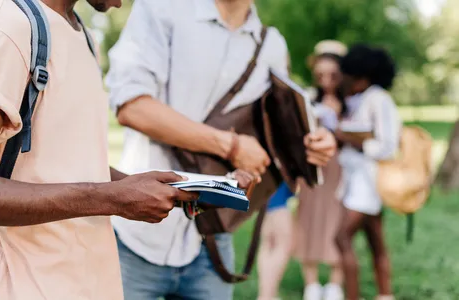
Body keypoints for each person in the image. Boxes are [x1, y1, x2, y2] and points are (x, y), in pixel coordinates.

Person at [0, 0, 203, 298]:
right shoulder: (4, 24)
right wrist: (111, 199)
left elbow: (71, 162)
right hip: (30, 287)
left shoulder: (81, 35)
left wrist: (164, 188)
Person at [105, 0, 337, 299]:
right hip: (137, 234)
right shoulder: (161, 9)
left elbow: (281, 125)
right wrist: (232, 146)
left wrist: (315, 142)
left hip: (213, 237)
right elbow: (132, 107)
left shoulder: (271, 44)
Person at [334, 44, 400, 300]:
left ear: (362, 77)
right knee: (375, 242)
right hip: (355, 180)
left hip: (370, 181)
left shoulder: (379, 99)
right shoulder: (358, 100)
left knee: (341, 238)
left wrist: (352, 139)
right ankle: (385, 294)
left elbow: (388, 145)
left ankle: (352, 296)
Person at [293, 40, 347, 300]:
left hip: (343, 169)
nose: (326, 81)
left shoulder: (354, 102)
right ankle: (311, 283)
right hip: (314, 168)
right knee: (309, 218)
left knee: (339, 221)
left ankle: (336, 283)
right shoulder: (308, 98)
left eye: (333, 75)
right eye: (321, 75)